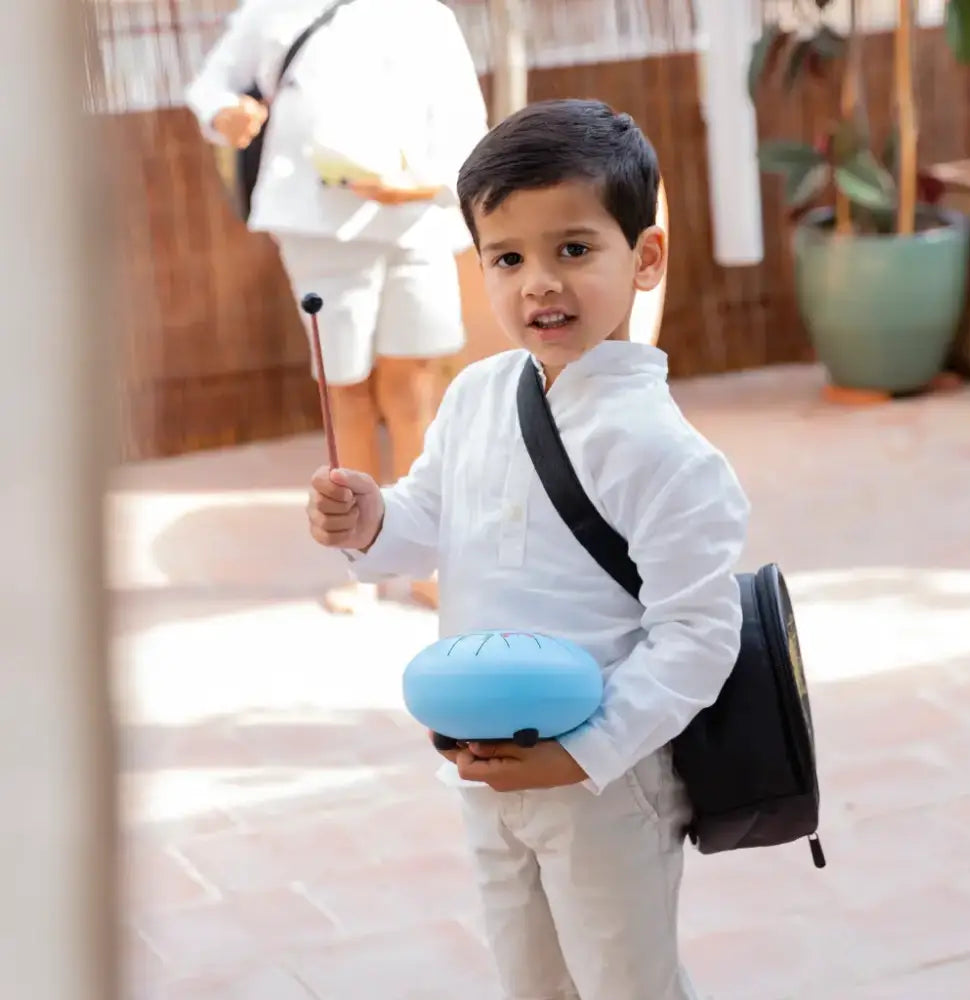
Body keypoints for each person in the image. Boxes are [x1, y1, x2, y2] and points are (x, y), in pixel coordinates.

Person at [306, 99, 750, 999]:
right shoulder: (476, 394)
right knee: (531, 984)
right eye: (508, 258)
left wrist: (585, 753)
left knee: (628, 984)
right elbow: (427, 519)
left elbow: (699, 634)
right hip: (486, 772)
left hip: (605, 782)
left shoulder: (668, 452)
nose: (538, 282)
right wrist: (366, 521)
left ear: (646, 258)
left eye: (574, 249)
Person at [186, 0, 488, 612]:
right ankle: (364, 561)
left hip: (417, 219)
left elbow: (464, 119)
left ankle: (426, 555)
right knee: (344, 388)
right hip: (316, 225)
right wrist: (226, 113)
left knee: (416, 386)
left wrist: (428, 183)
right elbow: (210, 84)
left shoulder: (427, 14)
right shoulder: (271, 10)